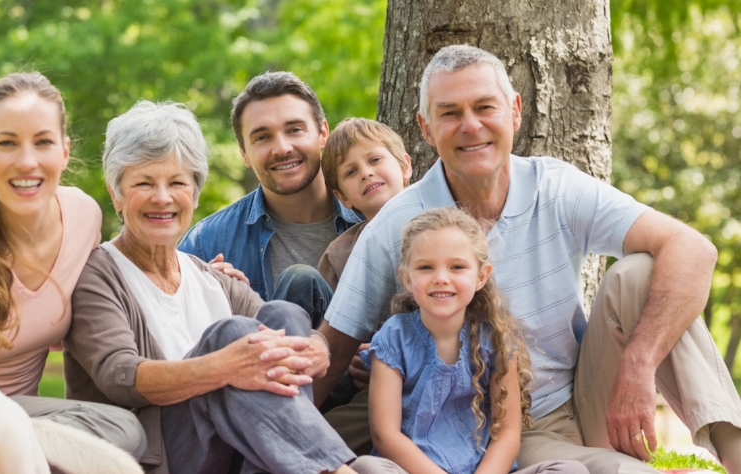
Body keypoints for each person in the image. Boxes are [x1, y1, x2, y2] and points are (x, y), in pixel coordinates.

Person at [316, 44, 741, 474]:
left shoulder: (555, 186)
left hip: (590, 393)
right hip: (506, 430)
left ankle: (736, 450)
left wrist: (638, 365)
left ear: (515, 111)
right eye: (449, 113)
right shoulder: (399, 223)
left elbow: (694, 250)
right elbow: (333, 350)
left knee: (647, 271)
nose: (471, 125)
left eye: (485, 107)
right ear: (425, 128)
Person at [63, 100, 379, 474]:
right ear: (117, 194)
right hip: (155, 458)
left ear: (194, 195)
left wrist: (318, 348)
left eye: (177, 182)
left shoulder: (210, 277)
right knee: (231, 336)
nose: (162, 197)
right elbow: (119, 375)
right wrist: (221, 367)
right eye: (143, 183)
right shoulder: (98, 273)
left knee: (284, 315)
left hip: (238, 457)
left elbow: (291, 337)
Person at [0, 72, 145, 459]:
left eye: (43, 142)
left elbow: (114, 285)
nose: (27, 161)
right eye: (7, 143)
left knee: (123, 430)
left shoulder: (83, 215)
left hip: (21, 421)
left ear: (64, 151)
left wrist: (199, 274)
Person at [349, 207, 587, 474]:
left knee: (570, 470)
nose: (441, 278)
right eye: (426, 267)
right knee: (366, 467)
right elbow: (385, 435)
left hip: (483, 471)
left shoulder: (495, 339)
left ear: (481, 276)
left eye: (457, 267)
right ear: (406, 277)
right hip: (413, 471)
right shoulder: (394, 338)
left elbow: (507, 433)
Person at [178, 71, 362, 327]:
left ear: (323, 134)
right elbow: (171, 335)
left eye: (295, 129)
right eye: (262, 137)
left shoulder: (375, 218)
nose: (282, 148)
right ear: (244, 153)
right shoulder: (205, 244)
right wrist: (209, 301)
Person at [314, 117, 411, 441]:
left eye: (374, 160)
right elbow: (335, 331)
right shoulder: (340, 254)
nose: (366, 172)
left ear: (405, 165)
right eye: (351, 172)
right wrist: (357, 355)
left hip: (444, 371)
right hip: (374, 389)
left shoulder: (443, 224)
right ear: (343, 197)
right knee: (323, 437)